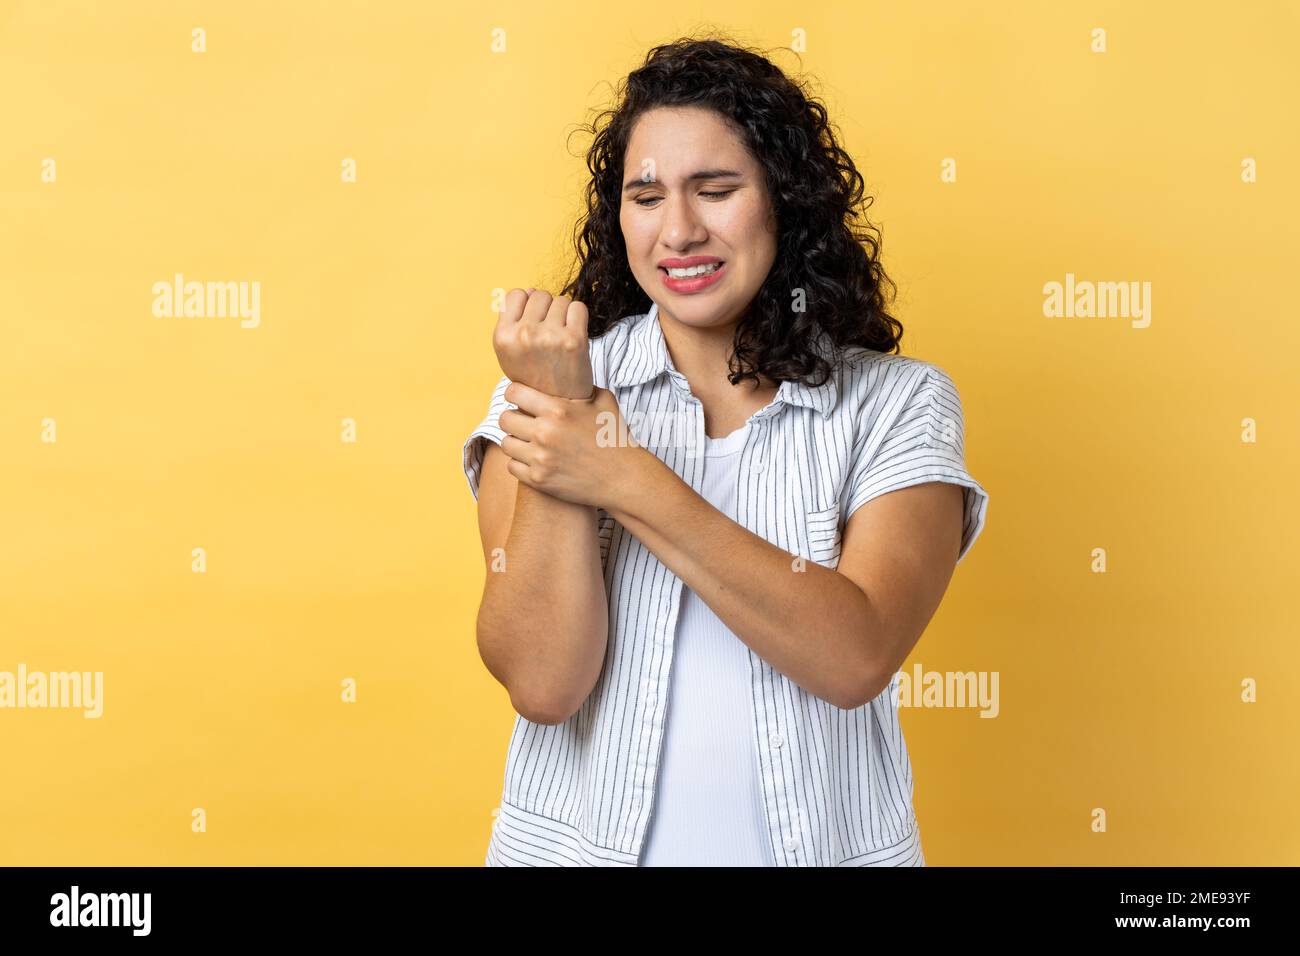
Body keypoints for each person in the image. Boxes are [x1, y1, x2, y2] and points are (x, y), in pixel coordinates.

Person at [462, 35, 990, 866]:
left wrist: (625, 476)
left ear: (783, 201)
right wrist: (568, 414)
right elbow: (544, 684)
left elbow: (853, 656)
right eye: (646, 196)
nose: (679, 230)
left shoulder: (898, 403)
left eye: (715, 189)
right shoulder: (550, 393)